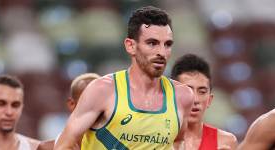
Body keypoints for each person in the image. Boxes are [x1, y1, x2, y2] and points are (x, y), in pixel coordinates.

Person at [54, 6, 195, 150]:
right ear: (130, 46)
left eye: (167, 44)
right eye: (152, 43)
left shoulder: (182, 96)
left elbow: (178, 142)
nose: (161, 52)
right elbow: (64, 145)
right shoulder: (102, 90)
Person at [171, 54, 238, 150]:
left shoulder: (225, 142)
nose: (195, 100)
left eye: (202, 92)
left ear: (209, 100)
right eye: (187, 91)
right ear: (171, 95)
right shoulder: (156, 138)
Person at [37, 73, 100, 150]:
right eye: (88, 101)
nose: (97, 108)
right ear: (72, 104)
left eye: (102, 101)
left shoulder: (117, 144)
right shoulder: (47, 148)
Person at [0, 75, 40, 150]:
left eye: (15, 105)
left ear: (21, 108)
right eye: (1, 104)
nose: (9, 112)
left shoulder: (35, 147)